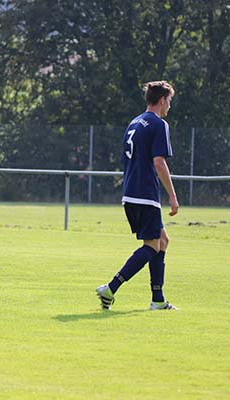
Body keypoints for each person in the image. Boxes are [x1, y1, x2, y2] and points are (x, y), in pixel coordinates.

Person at [96, 80, 178, 311]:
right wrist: (172, 196)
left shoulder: (134, 123)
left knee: (162, 241)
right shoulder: (159, 124)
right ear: (162, 100)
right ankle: (110, 288)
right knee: (151, 246)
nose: (169, 106)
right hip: (145, 194)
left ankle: (158, 300)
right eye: (169, 101)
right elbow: (159, 162)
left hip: (130, 193)